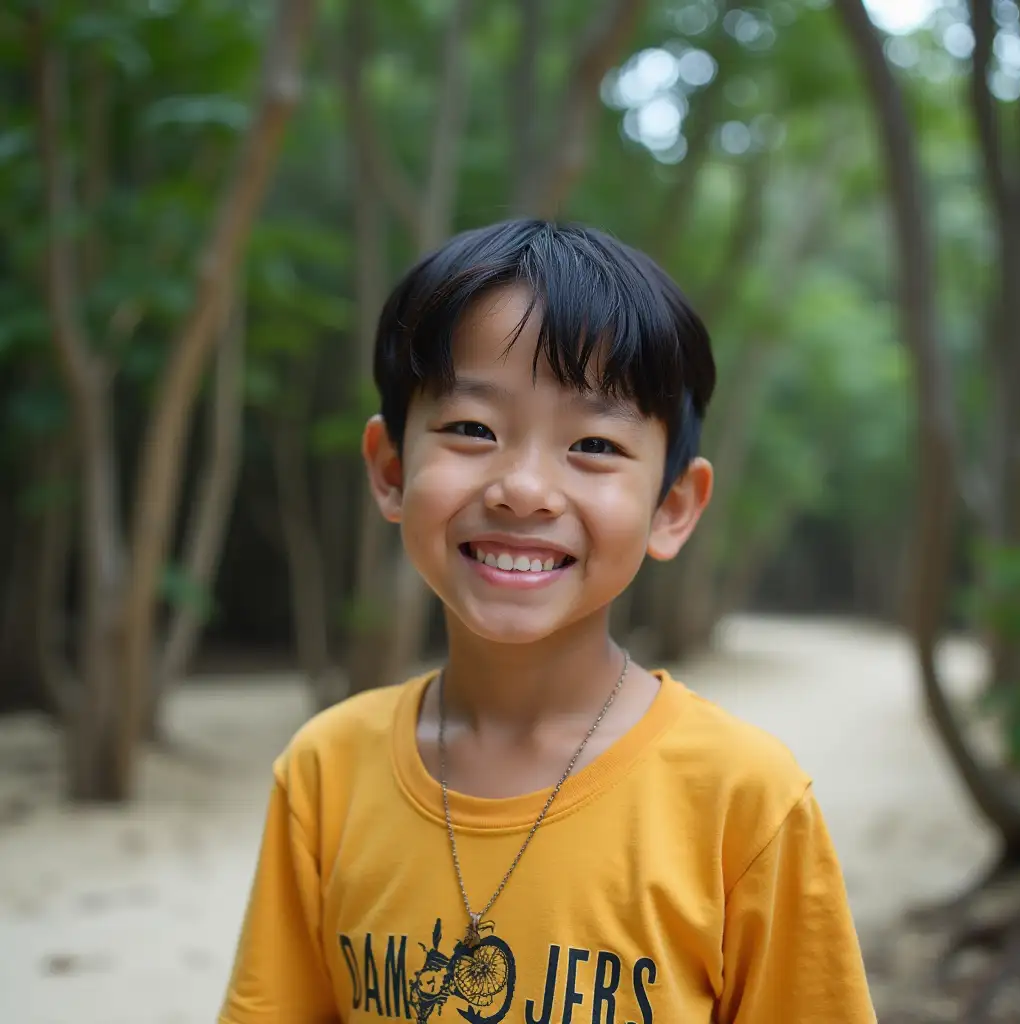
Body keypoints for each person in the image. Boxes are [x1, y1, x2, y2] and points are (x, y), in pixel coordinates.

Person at [219, 219, 876, 1023]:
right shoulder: (326, 775)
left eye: (593, 443)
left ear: (672, 508)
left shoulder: (744, 801)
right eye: (471, 429)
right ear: (392, 472)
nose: (523, 488)